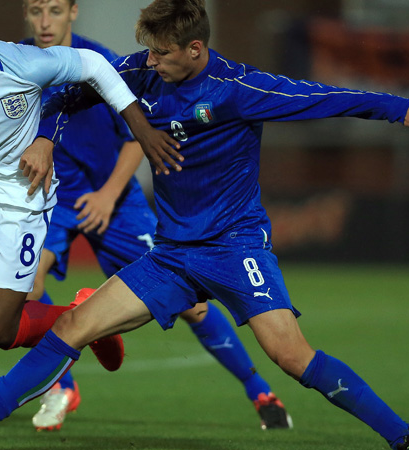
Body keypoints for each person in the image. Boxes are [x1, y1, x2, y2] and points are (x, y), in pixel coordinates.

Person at [0, 1, 409, 449]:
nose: (150, 62)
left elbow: (325, 99)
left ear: (195, 49)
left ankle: (406, 441)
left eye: (162, 54)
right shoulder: (143, 71)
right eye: (148, 52)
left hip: (235, 250)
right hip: (170, 255)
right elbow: (70, 95)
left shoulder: (239, 90)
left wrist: (397, 109)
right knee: (71, 330)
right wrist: (46, 134)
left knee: (292, 357)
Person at [0, 5, 180, 450]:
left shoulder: (22, 64)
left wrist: (139, 126)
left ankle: (84, 318)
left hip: (21, 205)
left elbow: (95, 66)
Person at [19, 0, 291, 432]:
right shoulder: (17, 65)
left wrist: (108, 195)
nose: (45, 21)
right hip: (49, 198)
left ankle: (257, 388)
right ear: (26, 13)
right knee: (25, 288)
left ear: (73, 11)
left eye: (54, 9)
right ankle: (62, 386)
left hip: (115, 198)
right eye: (36, 11)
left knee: (193, 308)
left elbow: (136, 137)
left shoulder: (100, 64)